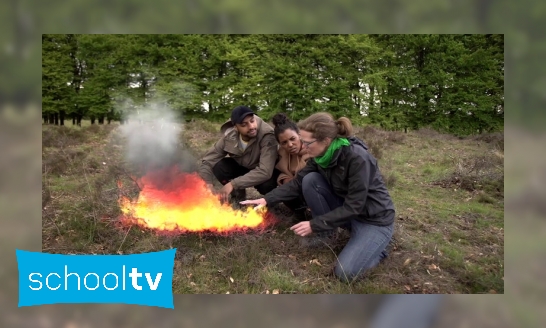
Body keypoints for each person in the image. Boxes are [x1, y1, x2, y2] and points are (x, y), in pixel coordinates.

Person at [241, 112, 396, 282]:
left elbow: (354, 206)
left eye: (307, 143)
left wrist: (314, 224)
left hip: (373, 220)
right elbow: (297, 183)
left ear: (326, 141)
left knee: (345, 273)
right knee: (310, 180)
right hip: (348, 212)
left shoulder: (357, 158)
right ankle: (327, 234)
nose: (303, 147)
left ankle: (377, 250)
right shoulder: (321, 156)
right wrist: (266, 199)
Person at [197, 105, 280, 203]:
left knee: (267, 185)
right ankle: (238, 196)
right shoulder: (229, 136)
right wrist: (208, 184)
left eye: (252, 121)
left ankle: (269, 201)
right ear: (235, 127)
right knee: (219, 166)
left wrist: (232, 184)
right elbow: (207, 161)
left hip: (265, 171)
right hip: (244, 167)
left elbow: (265, 171)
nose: (251, 127)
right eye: (244, 125)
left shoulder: (267, 136)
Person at [271, 113, 311, 218]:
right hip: (295, 188)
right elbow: (282, 173)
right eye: (284, 142)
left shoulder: (312, 149)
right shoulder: (282, 154)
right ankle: (300, 213)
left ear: (299, 135)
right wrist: (285, 180)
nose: (289, 145)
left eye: (293, 139)